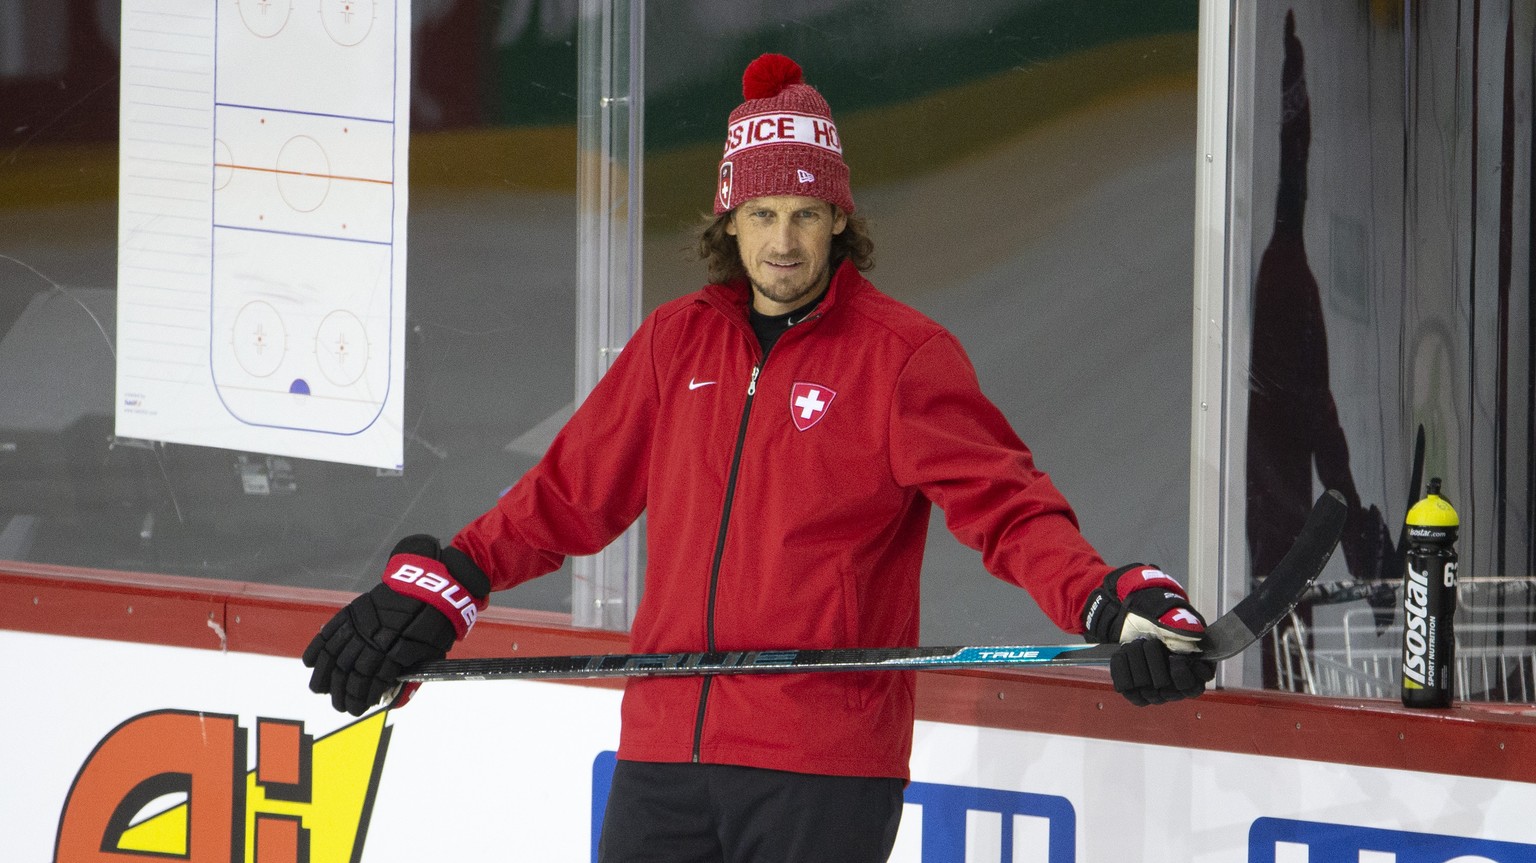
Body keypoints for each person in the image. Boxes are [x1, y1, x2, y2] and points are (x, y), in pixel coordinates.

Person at [303, 53, 1215, 863]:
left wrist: (1107, 597)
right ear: (729, 222)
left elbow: (1006, 508)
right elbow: (568, 493)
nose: (784, 241)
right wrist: (453, 578)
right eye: (764, 212)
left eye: (808, 214)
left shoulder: (900, 357)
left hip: (819, 767)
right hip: (664, 748)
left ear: (839, 221)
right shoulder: (676, 343)